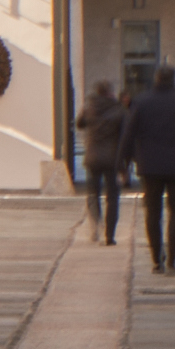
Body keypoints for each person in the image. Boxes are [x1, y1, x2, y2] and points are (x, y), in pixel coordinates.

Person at [123, 65, 175, 276]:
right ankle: (172, 258)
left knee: (153, 212)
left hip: (149, 166)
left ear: (155, 79)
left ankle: (156, 259)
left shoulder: (142, 102)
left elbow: (129, 134)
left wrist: (123, 163)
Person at [75, 82, 129, 247]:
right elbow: (124, 137)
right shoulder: (119, 110)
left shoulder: (90, 107)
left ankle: (95, 223)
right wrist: (124, 165)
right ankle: (109, 236)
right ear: (110, 93)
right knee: (112, 197)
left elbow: (79, 124)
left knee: (93, 193)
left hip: (93, 157)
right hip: (112, 159)